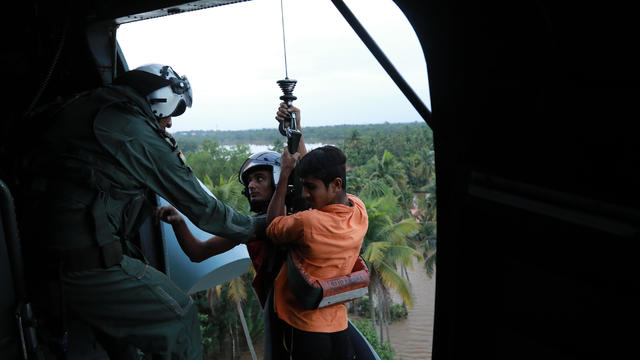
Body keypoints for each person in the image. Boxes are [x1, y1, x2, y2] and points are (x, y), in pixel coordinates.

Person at [18, 64, 265, 360]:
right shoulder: (129, 128)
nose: (170, 123)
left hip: (45, 257)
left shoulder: (89, 108)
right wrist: (260, 225)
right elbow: (204, 209)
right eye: (172, 112)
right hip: (80, 264)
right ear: (160, 99)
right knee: (178, 317)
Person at [156, 102, 307, 359]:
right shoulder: (251, 227)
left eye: (260, 178)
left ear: (281, 177)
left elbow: (305, 171)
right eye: (249, 181)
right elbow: (199, 252)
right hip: (278, 315)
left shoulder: (301, 216)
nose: (251, 186)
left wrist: (296, 129)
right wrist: (180, 223)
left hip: (306, 315)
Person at [266, 145, 368, 360]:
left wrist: (285, 173)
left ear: (336, 185)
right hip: (338, 325)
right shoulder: (359, 210)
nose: (304, 194)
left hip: (303, 325)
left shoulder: (308, 222)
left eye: (310, 187)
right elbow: (326, 176)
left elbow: (273, 226)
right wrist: (299, 131)